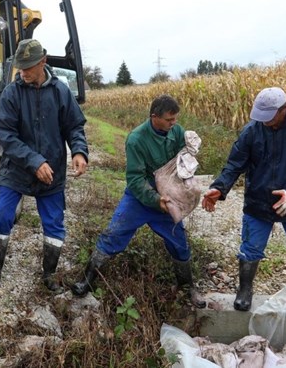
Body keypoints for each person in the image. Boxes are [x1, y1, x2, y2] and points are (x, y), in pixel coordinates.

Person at [0, 38, 89, 293]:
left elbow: (74, 126)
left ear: (43, 62)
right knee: (2, 213)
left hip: (52, 172)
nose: (23, 72)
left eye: (28, 67)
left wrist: (79, 151)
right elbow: (7, 135)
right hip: (17, 169)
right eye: (20, 67)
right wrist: (34, 162)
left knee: (54, 223)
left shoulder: (61, 92)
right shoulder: (11, 94)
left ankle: (48, 275)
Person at [70, 95, 207, 309]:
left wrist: (191, 150)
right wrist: (154, 199)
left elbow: (183, 159)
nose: (174, 124)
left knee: (179, 241)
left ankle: (187, 286)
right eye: (169, 120)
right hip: (139, 199)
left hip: (168, 197)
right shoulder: (136, 139)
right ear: (154, 117)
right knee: (112, 234)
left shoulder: (176, 132)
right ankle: (87, 280)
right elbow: (134, 178)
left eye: (175, 119)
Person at [201, 87, 286, 313]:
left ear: (284, 110)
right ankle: (245, 290)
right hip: (258, 201)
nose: (264, 122)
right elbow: (234, 164)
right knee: (250, 248)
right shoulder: (252, 131)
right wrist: (219, 188)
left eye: (268, 117)